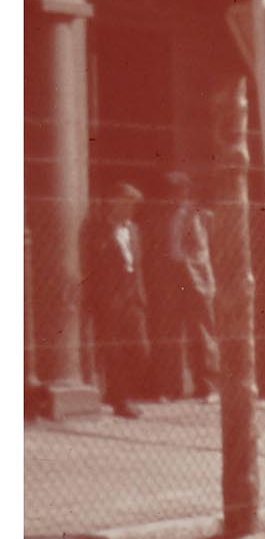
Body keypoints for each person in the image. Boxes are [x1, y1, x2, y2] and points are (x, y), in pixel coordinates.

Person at [84, 183, 150, 418]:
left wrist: (141, 296)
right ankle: (121, 401)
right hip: (110, 301)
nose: (132, 210)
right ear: (116, 203)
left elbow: (138, 266)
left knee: (141, 348)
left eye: (134, 206)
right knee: (115, 352)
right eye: (128, 204)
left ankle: (119, 393)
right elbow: (94, 266)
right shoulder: (99, 230)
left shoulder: (134, 230)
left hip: (133, 300)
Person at [156, 171, 216, 400]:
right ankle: (173, 386)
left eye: (181, 190)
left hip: (195, 276)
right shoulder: (165, 215)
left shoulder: (200, 214)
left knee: (202, 331)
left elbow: (202, 246)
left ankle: (208, 385)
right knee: (172, 330)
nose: (176, 195)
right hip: (173, 273)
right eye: (172, 191)